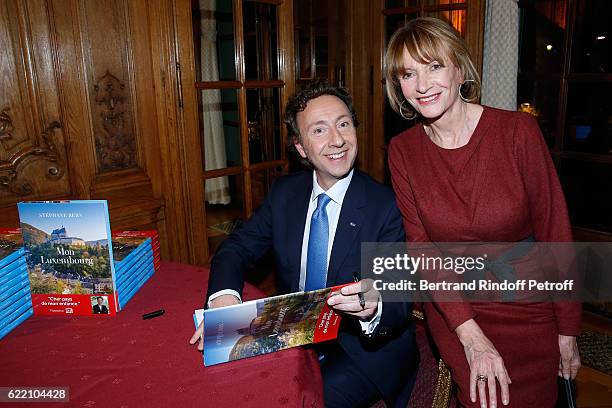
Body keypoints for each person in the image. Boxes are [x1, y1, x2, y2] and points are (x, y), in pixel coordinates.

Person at [384, 17, 581, 408]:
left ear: (459, 68)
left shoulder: (517, 132)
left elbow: (554, 231)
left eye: (434, 66)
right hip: (457, 308)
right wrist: (469, 334)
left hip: (528, 306)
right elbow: (421, 249)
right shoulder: (402, 151)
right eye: (408, 74)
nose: (422, 85)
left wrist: (569, 329)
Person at [190, 80, 418, 407]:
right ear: (300, 148)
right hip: (294, 332)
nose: (337, 140)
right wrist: (224, 297)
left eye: (343, 124)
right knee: (226, 386)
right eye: (319, 130)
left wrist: (373, 304)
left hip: (360, 348)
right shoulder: (286, 194)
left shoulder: (384, 206)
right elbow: (236, 247)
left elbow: (398, 299)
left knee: (299, 401)